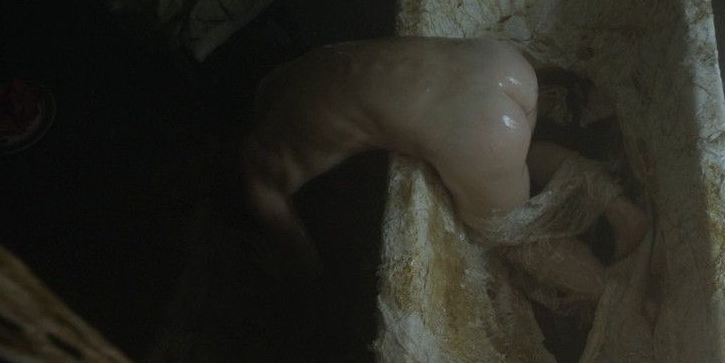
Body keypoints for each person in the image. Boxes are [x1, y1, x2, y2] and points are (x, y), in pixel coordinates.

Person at [241, 36, 646, 285]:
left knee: (508, 238)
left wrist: (278, 269)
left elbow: (304, 267)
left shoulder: (258, 165)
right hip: (501, 64)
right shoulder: (300, 70)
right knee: (519, 153)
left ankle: (613, 291)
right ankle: (621, 211)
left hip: (478, 127)